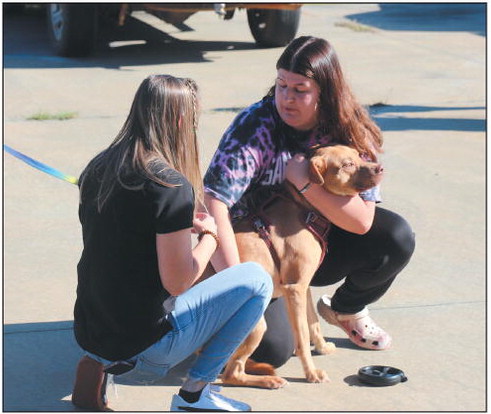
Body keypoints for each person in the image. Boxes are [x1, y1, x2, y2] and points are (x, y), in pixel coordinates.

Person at [203, 36, 416, 369]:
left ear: (325, 92)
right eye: (281, 85)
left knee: (395, 237)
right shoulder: (254, 126)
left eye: (300, 89)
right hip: (262, 255)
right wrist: (238, 284)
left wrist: (304, 181)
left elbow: (361, 222)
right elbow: (215, 204)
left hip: (321, 243)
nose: (286, 98)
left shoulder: (350, 127)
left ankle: (346, 308)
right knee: (273, 351)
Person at [72, 74, 273, 412]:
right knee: (256, 280)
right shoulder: (169, 186)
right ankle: (194, 394)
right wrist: (210, 235)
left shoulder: (98, 167)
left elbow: (117, 250)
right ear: (181, 120)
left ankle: (101, 361)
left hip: (91, 328)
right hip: (147, 348)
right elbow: (178, 282)